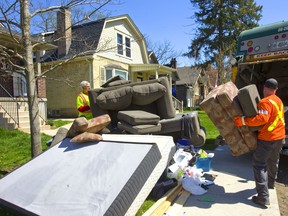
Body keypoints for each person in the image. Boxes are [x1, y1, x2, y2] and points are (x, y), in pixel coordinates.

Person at [234, 78, 285, 207]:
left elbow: (262, 119)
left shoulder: (265, 102)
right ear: (276, 89)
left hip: (268, 138)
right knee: (273, 160)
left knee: (259, 164)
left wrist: (243, 121)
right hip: (280, 137)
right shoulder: (278, 100)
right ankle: (270, 184)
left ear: (265, 88)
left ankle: (263, 197)